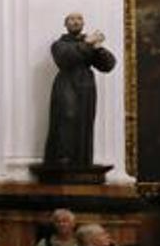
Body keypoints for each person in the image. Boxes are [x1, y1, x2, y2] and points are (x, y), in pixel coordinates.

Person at [42, 12, 117, 166]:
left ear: (83, 23)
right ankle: (62, 157)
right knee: (67, 116)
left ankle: (82, 160)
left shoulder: (89, 43)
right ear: (65, 24)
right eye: (71, 19)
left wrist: (98, 48)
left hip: (86, 86)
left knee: (85, 120)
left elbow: (108, 65)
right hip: (66, 83)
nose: (76, 22)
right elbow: (65, 59)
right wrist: (87, 43)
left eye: (79, 19)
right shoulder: (59, 44)